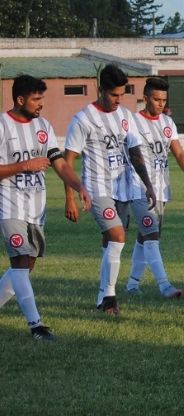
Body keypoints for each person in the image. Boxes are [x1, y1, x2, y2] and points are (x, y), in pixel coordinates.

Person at [0, 75, 91, 340]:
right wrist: (24, 166)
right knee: (19, 262)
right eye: (36, 99)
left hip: (36, 208)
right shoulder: (3, 125)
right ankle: (36, 326)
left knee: (26, 266)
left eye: (42, 99)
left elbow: (59, 163)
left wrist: (80, 187)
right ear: (20, 99)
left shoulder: (44, 126)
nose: (41, 104)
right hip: (9, 205)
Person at [64, 64, 156, 315]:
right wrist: (69, 197)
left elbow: (135, 151)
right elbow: (67, 161)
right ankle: (110, 298)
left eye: (121, 95)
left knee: (110, 243)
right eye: (113, 95)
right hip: (97, 189)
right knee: (118, 236)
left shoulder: (125, 116)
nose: (118, 100)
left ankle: (101, 296)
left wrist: (148, 184)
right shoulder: (83, 119)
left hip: (122, 189)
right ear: (100, 89)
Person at [124, 77, 184, 298]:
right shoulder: (133, 122)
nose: (160, 104)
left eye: (164, 100)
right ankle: (164, 286)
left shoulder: (168, 123)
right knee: (152, 235)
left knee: (145, 237)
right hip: (140, 188)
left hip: (161, 189)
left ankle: (132, 285)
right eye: (156, 99)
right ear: (145, 98)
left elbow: (179, 152)